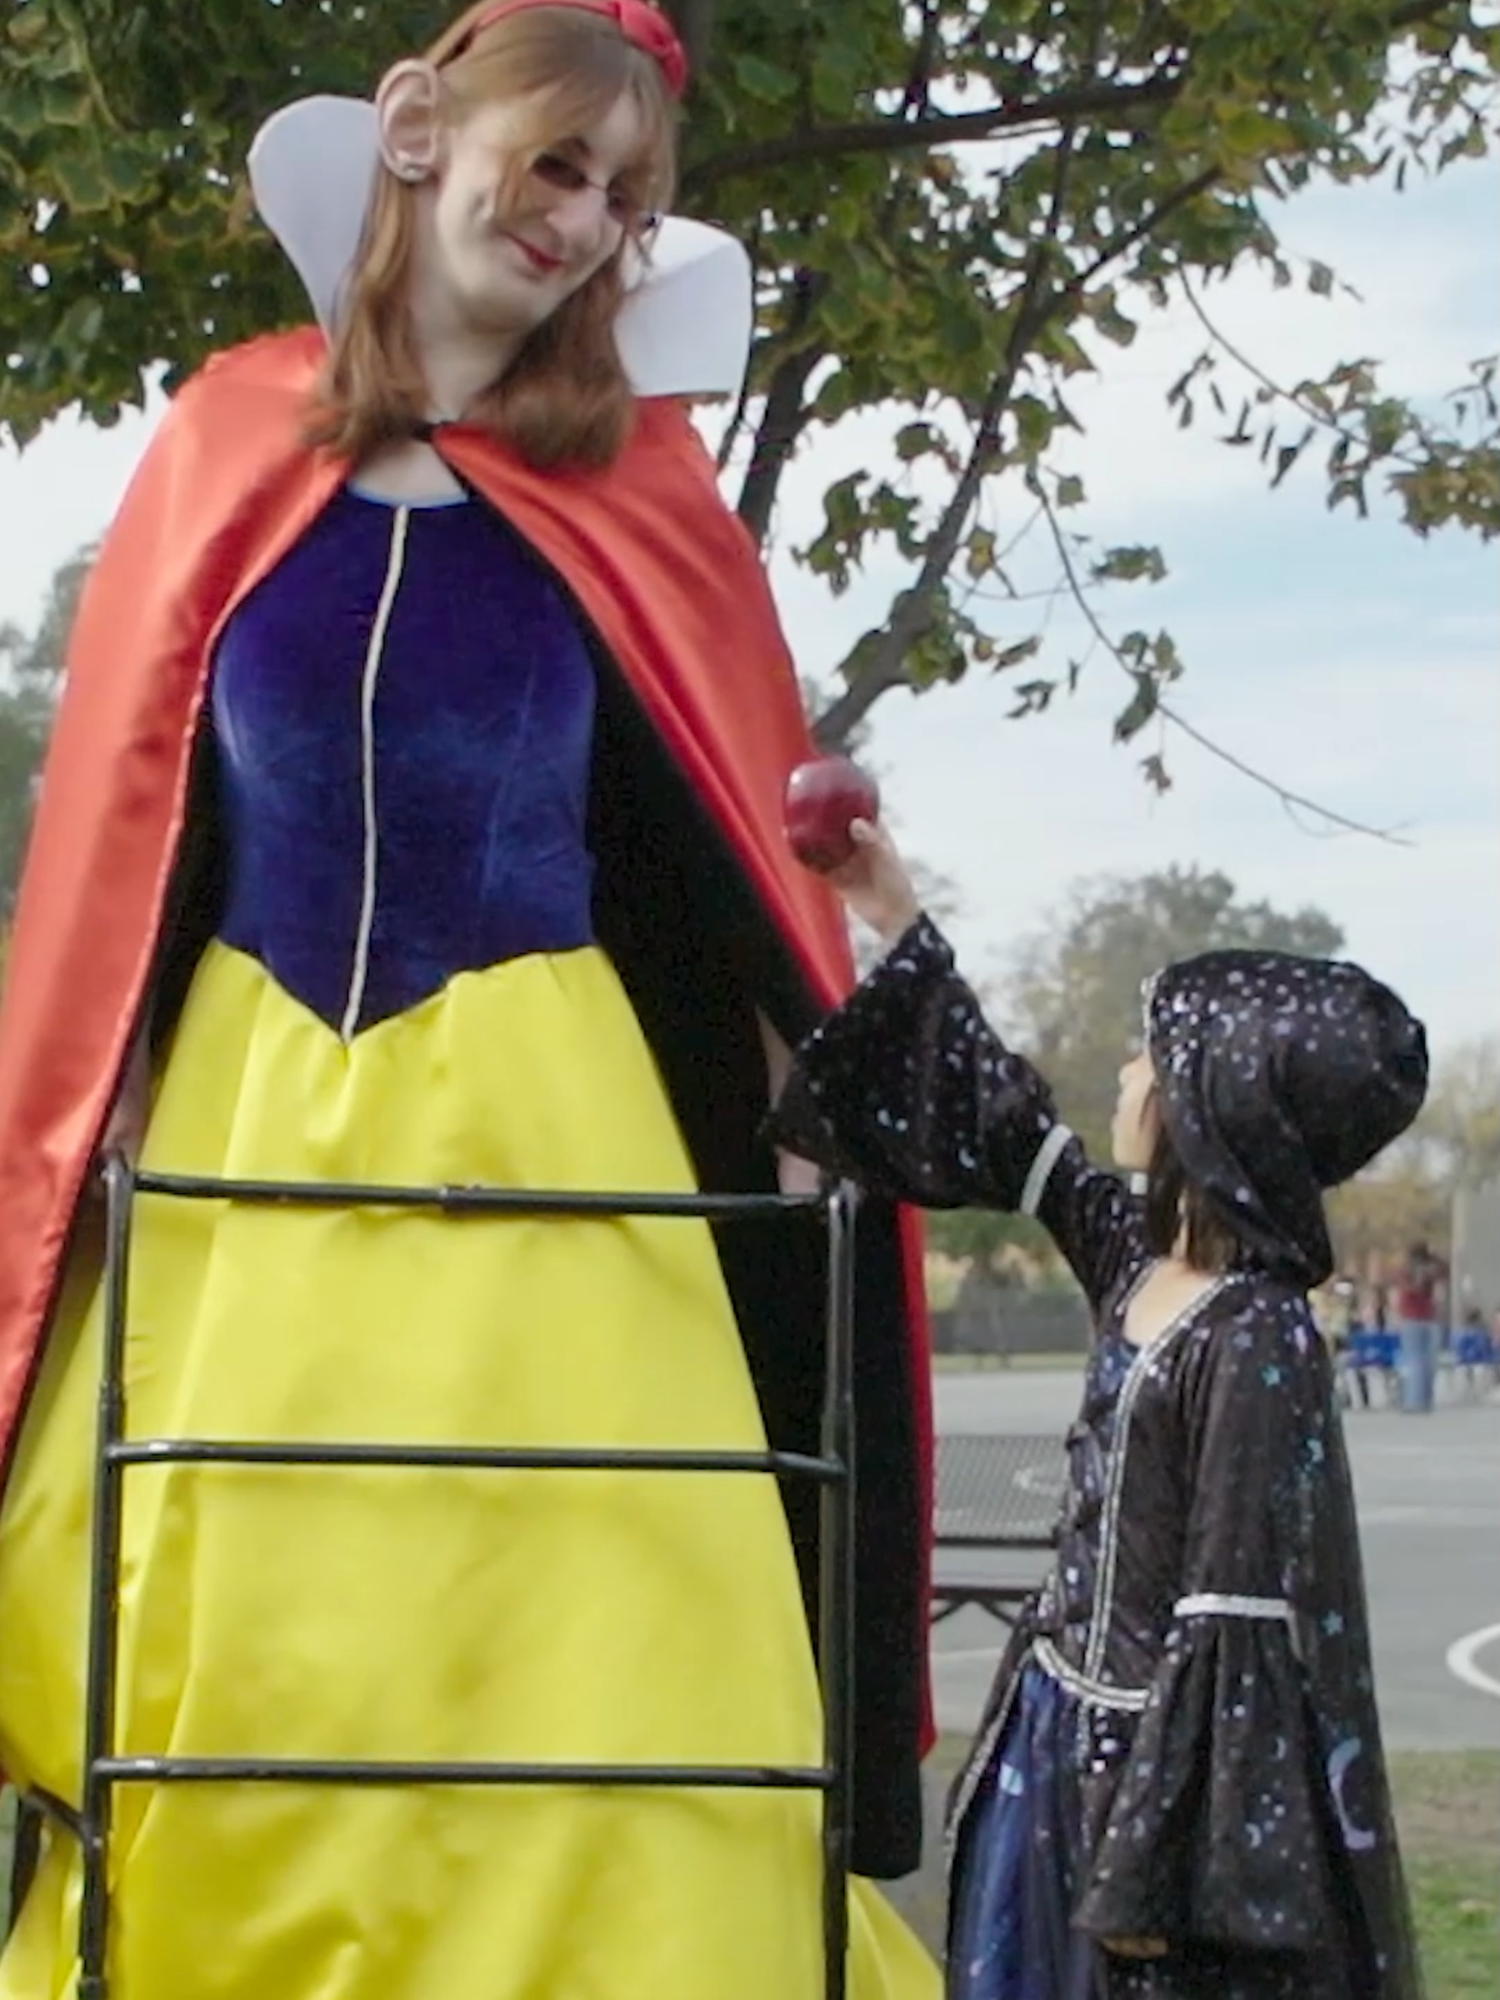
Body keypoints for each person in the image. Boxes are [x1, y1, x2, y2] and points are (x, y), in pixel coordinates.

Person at [0, 6, 938, 1994]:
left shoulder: (646, 492)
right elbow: (125, 847)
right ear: (422, 126)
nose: (586, 224)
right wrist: (105, 1106)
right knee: (261, 1606)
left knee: (580, 1597)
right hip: (261, 1124)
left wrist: (827, 1100)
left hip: (550, 1115)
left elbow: (725, 852)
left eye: (623, 200)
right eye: (558, 168)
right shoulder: (218, 444)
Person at [767, 819, 1427, 2000]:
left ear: (1208, 1101)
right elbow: (1020, 1132)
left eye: (1148, 1059)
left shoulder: (1254, 1332)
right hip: (1051, 1744)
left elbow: (1228, 1616)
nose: (1126, 1074)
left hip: (1142, 1812)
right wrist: (894, 915)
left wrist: (1140, 1879)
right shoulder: (1140, 1262)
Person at [1390, 1240, 1448, 1414]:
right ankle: (1422, 1400)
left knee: (1417, 1360)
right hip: (1425, 1317)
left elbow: (1409, 1287)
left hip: (1412, 1318)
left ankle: (1415, 1401)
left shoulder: (1406, 1269)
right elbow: (1443, 1272)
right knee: (1425, 1361)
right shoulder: (1428, 1269)